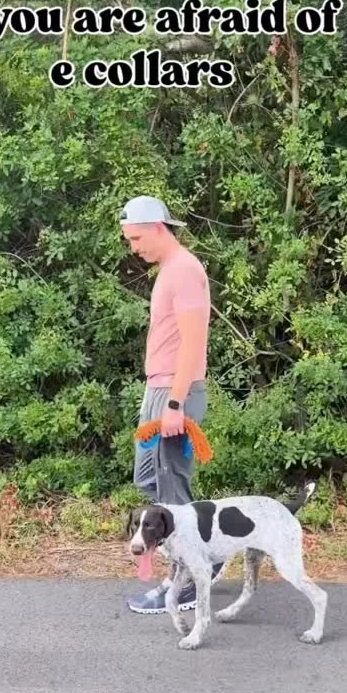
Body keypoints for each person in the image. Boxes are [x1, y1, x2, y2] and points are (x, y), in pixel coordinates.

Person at [119, 194, 225, 614]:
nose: (134, 248)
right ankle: (208, 556)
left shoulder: (183, 270)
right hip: (159, 390)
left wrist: (176, 403)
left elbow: (193, 342)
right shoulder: (169, 270)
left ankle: (184, 582)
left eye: (137, 238)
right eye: (129, 240)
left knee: (171, 497)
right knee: (149, 481)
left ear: (159, 228)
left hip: (174, 394)